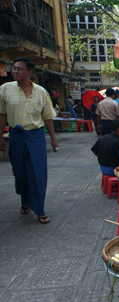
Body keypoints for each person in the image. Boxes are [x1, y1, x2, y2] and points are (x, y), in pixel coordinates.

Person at [0, 57, 59, 224]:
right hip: (16, 135)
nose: (15, 71)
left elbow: (47, 117)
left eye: (19, 69)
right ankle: (24, 202)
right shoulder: (5, 89)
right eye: (14, 68)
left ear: (30, 72)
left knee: (38, 173)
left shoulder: (41, 92)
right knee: (20, 173)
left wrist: (53, 140)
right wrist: (0, 138)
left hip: (36, 136)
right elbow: (2, 115)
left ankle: (39, 210)